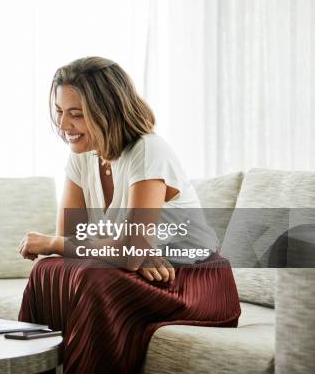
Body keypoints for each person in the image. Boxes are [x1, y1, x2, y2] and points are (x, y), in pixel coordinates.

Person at [17, 57, 240, 374]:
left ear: (107, 111)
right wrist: (122, 250)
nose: (64, 126)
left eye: (76, 115)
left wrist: (123, 250)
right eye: (59, 112)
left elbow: (107, 248)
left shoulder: (148, 151)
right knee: (48, 269)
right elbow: (76, 241)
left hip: (194, 281)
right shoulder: (83, 155)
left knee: (90, 276)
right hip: (145, 274)